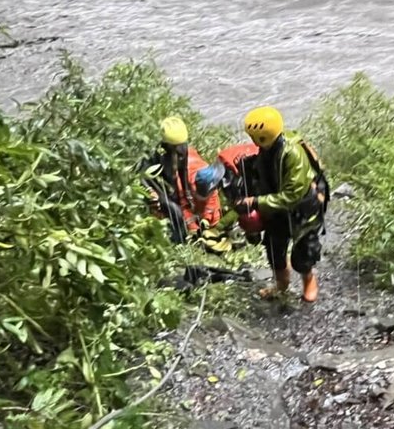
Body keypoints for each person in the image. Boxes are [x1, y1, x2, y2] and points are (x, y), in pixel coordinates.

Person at [235, 106, 329, 303]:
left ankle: (308, 279)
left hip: (302, 208)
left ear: (264, 136)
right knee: (273, 246)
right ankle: (281, 283)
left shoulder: (292, 153)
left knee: (304, 252)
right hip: (276, 206)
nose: (252, 140)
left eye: (255, 136)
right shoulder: (267, 149)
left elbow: (292, 195)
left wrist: (255, 202)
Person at [141, 116, 222, 243]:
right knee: (171, 209)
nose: (178, 157)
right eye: (176, 154)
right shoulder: (158, 158)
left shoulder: (191, 168)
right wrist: (152, 192)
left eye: (180, 154)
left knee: (177, 211)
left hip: (178, 195)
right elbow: (145, 177)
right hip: (161, 191)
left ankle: (182, 238)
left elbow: (189, 198)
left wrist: (199, 226)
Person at [194, 141, 263, 243]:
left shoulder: (237, 180)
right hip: (257, 157)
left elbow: (240, 206)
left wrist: (219, 227)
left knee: (248, 213)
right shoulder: (222, 163)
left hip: (263, 166)